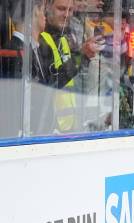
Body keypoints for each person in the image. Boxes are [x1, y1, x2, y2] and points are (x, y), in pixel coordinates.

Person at [38, 0, 101, 132]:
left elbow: (73, 81)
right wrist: (81, 56)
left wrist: (85, 56)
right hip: (48, 129)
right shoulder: (40, 40)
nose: (67, 15)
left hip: (68, 127)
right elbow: (50, 84)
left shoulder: (63, 40)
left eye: (70, 10)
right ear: (46, 8)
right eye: (61, 9)